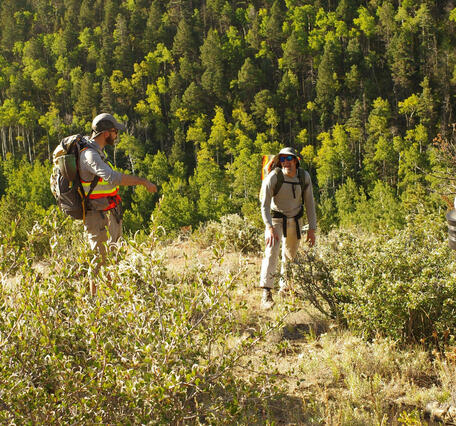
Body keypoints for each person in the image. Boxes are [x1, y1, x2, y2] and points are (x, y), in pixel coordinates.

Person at [79, 113, 157, 293]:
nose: (117, 135)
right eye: (115, 132)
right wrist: (143, 181)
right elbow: (112, 178)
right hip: (95, 214)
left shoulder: (98, 152)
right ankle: (94, 303)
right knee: (98, 258)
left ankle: (111, 296)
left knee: (112, 255)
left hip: (107, 211)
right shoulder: (90, 156)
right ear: (106, 133)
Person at [259, 147, 317, 309]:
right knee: (271, 252)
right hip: (275, 219)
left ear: (296, 161)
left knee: (291, 255)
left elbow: (310, 203)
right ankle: (267, 292)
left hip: (295, 220)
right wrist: (269, 226)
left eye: (289, 159)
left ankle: (286, 288)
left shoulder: (304, 177)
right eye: (282, 159)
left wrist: (312, 229)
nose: (286, 162)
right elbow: (264, 205)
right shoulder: (273, 177)